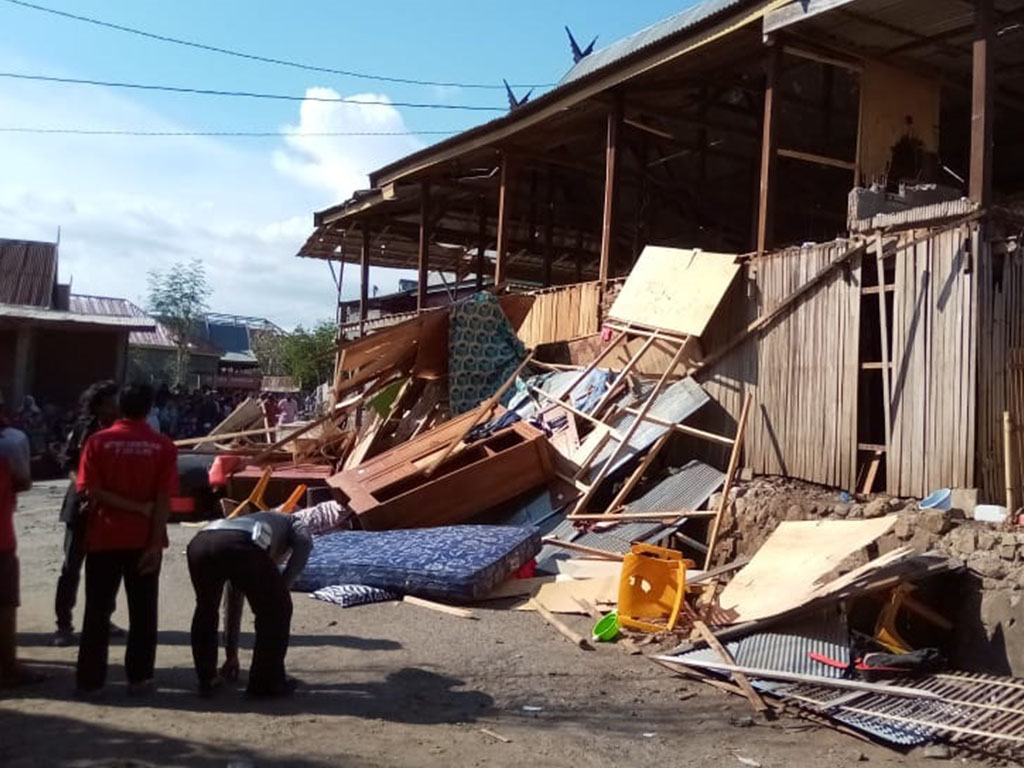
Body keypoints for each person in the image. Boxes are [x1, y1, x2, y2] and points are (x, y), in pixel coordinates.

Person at [75, 383, 178, 696]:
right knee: (144, 610)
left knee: (96, 610)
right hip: (144, 539)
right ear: (149, 409)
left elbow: (90, 491)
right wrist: (153, 543)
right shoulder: (162, 446)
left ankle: (90, 680)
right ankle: (140, 677)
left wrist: (129, 506)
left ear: (120, 405)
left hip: (104, 536)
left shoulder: (98, 442)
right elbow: (163, 500)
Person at [186, 510, 312, 697]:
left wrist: (231, 655)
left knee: (206, 608)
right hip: (239, 544)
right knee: (277, 611)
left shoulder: (253, 523)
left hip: (201, 541)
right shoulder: (295, 524)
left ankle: (207, 678)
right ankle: (266, 684)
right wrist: (284, 586)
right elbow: (304, 543)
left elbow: (233, 600)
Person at [51, 381, 122, 647]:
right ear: (101, 402)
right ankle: (64, 624)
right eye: (114, 398)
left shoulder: (122, 429)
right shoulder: (83, 429)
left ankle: (103, 617)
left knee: (106, 569)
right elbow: (68, 463)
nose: (119, 403)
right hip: (80, 507)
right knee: (71, 567)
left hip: (109, 508)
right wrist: (84, 486)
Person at [0, 391, 44, 687]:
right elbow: (23, 483)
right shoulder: (11, 444)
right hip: (1, 540)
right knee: (4, 605)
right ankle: (8, 667)